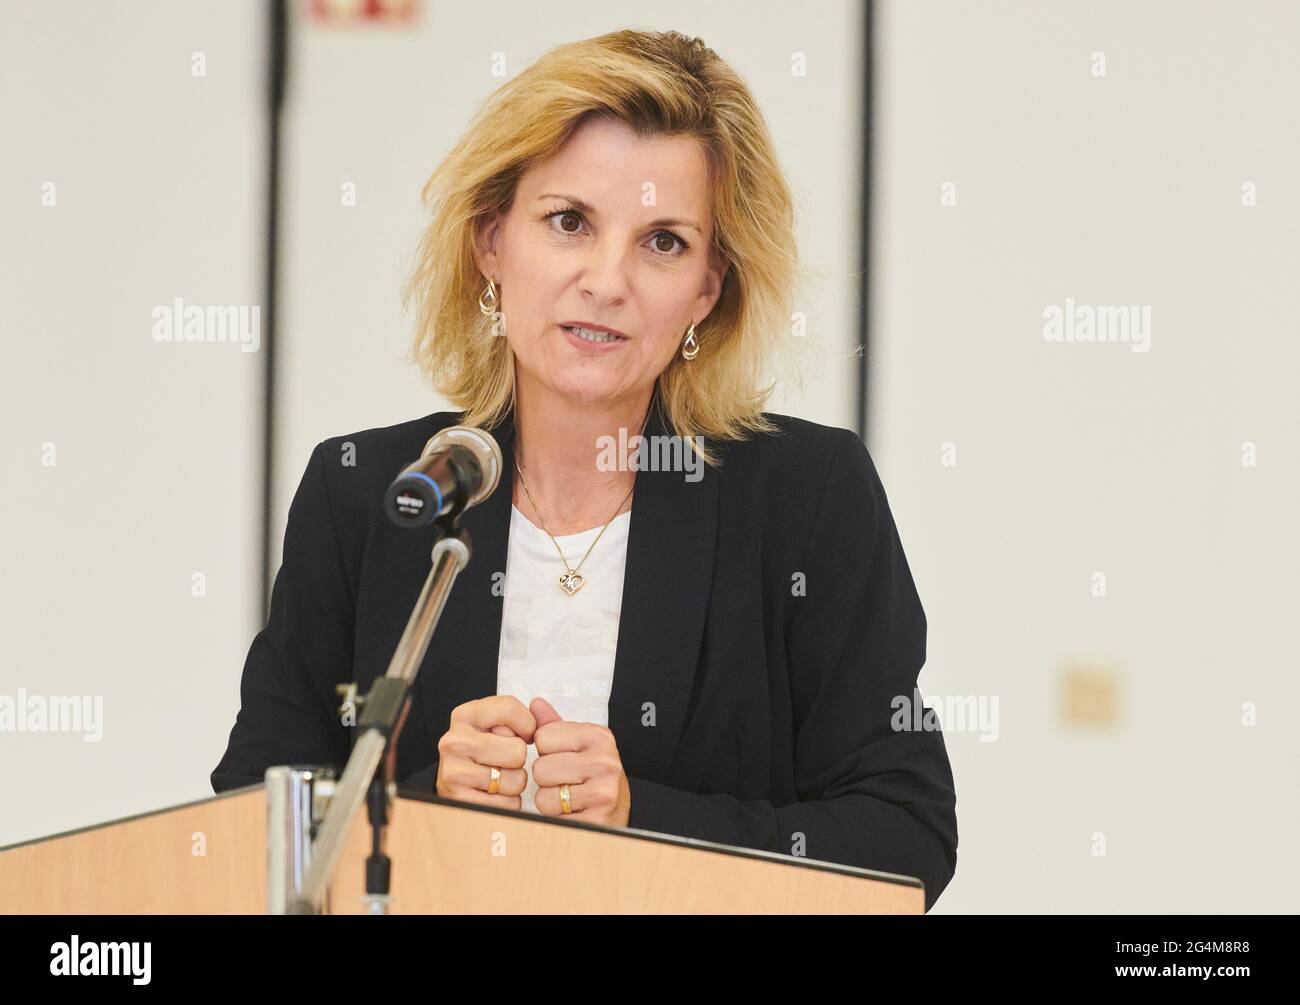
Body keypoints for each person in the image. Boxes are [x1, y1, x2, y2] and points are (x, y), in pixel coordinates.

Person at [211, 28, 957, 910]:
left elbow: (905, 836)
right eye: (570, 223)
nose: (607, 280)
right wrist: (422, 808)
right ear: (493, 243)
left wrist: (641, 816)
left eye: (664, 243)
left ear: (708, 290)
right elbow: (252, 826)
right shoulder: (373, 491)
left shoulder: (806, 496)